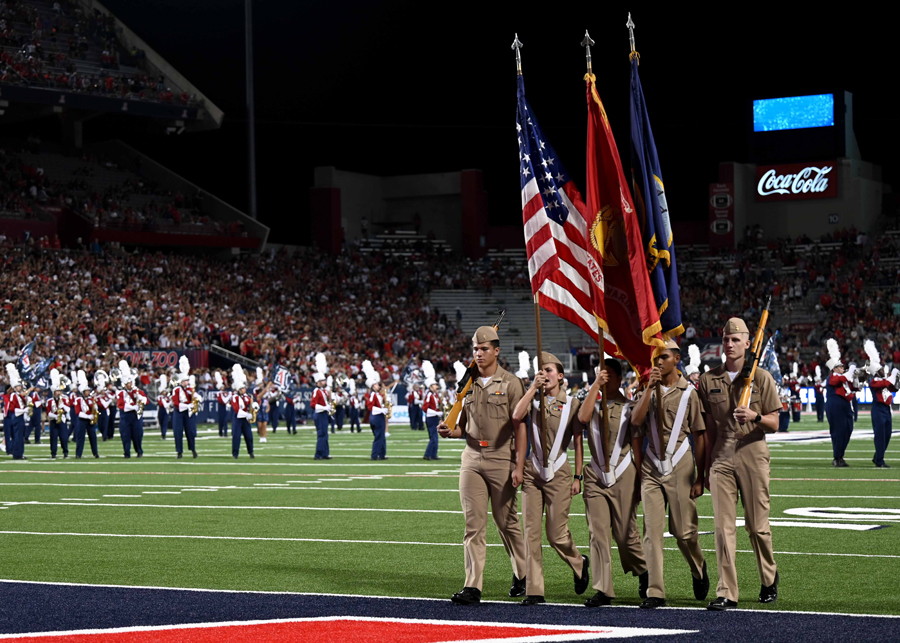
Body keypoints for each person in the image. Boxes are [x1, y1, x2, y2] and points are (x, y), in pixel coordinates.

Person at [437, 326, 527, 605]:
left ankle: (524, 575)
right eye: (475, 349)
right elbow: (462, 427)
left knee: (506, 522)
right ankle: (472, 585)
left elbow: (520, 427)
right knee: (473, 524)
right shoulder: (468, 384)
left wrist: (519, 465)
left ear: (496, 351)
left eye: (484, 349)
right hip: (472, 457)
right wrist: (448, 431)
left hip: (502, 457)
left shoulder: (511, 383)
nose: (479, 353)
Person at [698, 317, 781, 611]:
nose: (729, 344)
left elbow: (774, 423)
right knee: (722, 528)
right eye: (726, 339)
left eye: (736, 340)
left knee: (757, 527)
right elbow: (707, 428)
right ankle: (727, 591)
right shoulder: (709, 380)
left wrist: (755, 417)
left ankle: (769, 578)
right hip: (720, 454)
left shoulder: (762, 378)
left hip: (753, 452)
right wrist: (704, 468)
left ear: (748, 343)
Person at [629, 340, 709, 609]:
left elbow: (699, 436)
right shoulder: (647, 390)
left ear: (677, 359)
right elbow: (636, 424)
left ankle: (698, 567)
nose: (658, 362)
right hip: (652, 466)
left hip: (680, 464)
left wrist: (700, 477)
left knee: (684, 533)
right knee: (651, 532)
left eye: (663, 357)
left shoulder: (690, 393)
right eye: (655, 358)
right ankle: (655, 591)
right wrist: (649, 388)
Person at [512, 351, 589, 606]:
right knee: (530, 533)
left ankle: (579, 562)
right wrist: (531, 389)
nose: (544, 374)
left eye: (549, 370)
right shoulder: (533, 400)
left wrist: (578, 476)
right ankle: (535, 590)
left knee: (556, 534)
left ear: (560, 375)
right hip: (533, 473)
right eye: (541, 370)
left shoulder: (573, 404)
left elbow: (578, 443)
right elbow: (516, 415)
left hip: (560, 473)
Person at [576, 359, 648, 607]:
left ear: (618, 378)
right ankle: (603, 588)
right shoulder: (591, 405)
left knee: (626, 535)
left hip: (624, 473)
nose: (603, 379)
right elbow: (583, 418)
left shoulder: (630, 407)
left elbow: (637, 443)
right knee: (597, 534)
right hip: (595, 476)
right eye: (599, 375)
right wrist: (596, 384)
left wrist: (641, 479)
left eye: (606, 375)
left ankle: (643, 570)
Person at [825, 340, 855, 468]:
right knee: (838, 431)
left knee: (848, 429)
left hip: (845, 407)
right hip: (835, 407)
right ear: (835, 368)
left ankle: (840, 455)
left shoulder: (843, 379)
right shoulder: (833, 377)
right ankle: (837, 457)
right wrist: (850, 372)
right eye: (841, 367)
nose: (843, 368)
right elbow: (840, 379)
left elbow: (852, 389)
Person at [868, 362, 898, 469]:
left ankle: (877, 456)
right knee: (880, 435)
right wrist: (893, 375)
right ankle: (879, 461)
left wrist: (897, 379)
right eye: (880, 370)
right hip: (878, 409)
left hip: (886, 409)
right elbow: (883, 384)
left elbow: (894, 388)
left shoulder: (884, 380)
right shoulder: (874, 381)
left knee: (887, 435)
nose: (883, 371)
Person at [115, 361, 145, 458]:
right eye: (128, 383)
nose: (130, 384)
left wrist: (140, 398)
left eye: (131, 382)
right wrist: (134, 407)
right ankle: (127, 453)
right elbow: (121, 405)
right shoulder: (121, 393)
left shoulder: (138, 391)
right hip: (125, 417)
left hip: (136, 416)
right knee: (125, 436)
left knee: (137, 435)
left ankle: (139, 451)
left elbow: (146, 400)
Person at [172, 357, 198, 459]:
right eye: (185, 381)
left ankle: (193, 449)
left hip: (189, 412)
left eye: (187, 381)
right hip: (179, 412)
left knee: (191, 431)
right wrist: (188, 405)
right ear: (181, 381)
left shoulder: (190, 389)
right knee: (178, 432)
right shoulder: (176, 389)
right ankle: (179, 452)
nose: (187, 383)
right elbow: (176, 403)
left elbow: (198, 397)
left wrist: (195, 398)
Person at [4, 364, 31, 460]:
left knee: (20, 436)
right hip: (17, 417)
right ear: (15, 387)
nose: (20, 388)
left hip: (19, 417)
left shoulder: (19, 395)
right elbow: (13, 409)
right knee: (18, 436)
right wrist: (24, 410)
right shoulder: (14, 395)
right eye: (18, 386)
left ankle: (19, 453)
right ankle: (17, 454)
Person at [230, 365, 255, 459]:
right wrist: (248, 414)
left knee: (249, 436)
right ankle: (235, 454)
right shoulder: (234, 397)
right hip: (238, 418)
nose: (244, 390)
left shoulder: (247, 396)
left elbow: (251, 403)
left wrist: (254, 407)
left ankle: (251, 452)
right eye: (242, 388)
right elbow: (237, 411)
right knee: (236, 436)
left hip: (245, 419)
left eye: (244, 388)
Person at [73, 370, 100, 459]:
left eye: (88, 390)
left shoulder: (91, 398)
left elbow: (95, 408)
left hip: (90, 421)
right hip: (82, 420)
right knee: (80, 438)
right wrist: (88, 416)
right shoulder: (78, 400)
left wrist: (95, 407)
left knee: (93, 437)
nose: (88, 392)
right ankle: (78, 454)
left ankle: (95, 453)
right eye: (86, 391)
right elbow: (78, 412)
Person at [46, 369, 71, 459]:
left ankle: (65, 452)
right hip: (53, 421)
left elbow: (68, 409)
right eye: (57, 391)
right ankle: (53, 453)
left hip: (63, 420)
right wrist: (56, 416)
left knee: (64, 437)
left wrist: (63, 405)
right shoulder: (49, 401)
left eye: (59, 391)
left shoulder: (64, 399)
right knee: (53, 438)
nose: (59, 392)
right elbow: (48, 413)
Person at [365, 371, 388, 461]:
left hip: (379, 416)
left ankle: (382, 454)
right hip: (376, 417)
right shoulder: (372, 395)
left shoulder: (378, 395)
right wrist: (382, 410)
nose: (378, 385)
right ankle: (374, 455)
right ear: (372, 386)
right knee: (378, 436)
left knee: (381, 436)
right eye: (376, 384)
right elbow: (370, 407)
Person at [421, 362, 442, 461]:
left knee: (435, 437)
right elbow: (425, 408)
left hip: (434, 417)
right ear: (430, 386)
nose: (436, 386)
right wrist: (437, 413)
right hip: (431, 418)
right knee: (433, 437)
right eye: (434, 385)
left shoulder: (435, 395)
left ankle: (433, 454)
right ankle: (427, 454)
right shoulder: (429, 395)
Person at [310, 372, 332, 460]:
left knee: (325, 434)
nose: (324, 382)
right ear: (318, 382)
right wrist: (325, 407)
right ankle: (318, 454)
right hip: (319, 414)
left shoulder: (324, 391)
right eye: (322, 380)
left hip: (324, 414)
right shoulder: (316, 391)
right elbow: (313, 405)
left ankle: (325, 453)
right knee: (321, 434)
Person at [215, 371, 231, 437]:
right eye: (221, 387)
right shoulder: (218, 393)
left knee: (225, 421)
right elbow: (221, 400)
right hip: (221, 407)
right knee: (221, 421)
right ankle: (220, 433)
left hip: (224, 407)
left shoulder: (225, 393)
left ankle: (225, 433)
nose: (222, 388)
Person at [156, 374, 171, 439]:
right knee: (161, 422)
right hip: (161, 410)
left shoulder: (168, 397)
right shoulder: (159, 397)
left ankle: (164, 434)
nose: (164, 392)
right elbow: (161, 404)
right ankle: (162, 433)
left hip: (166, 411)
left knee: (165, 423)